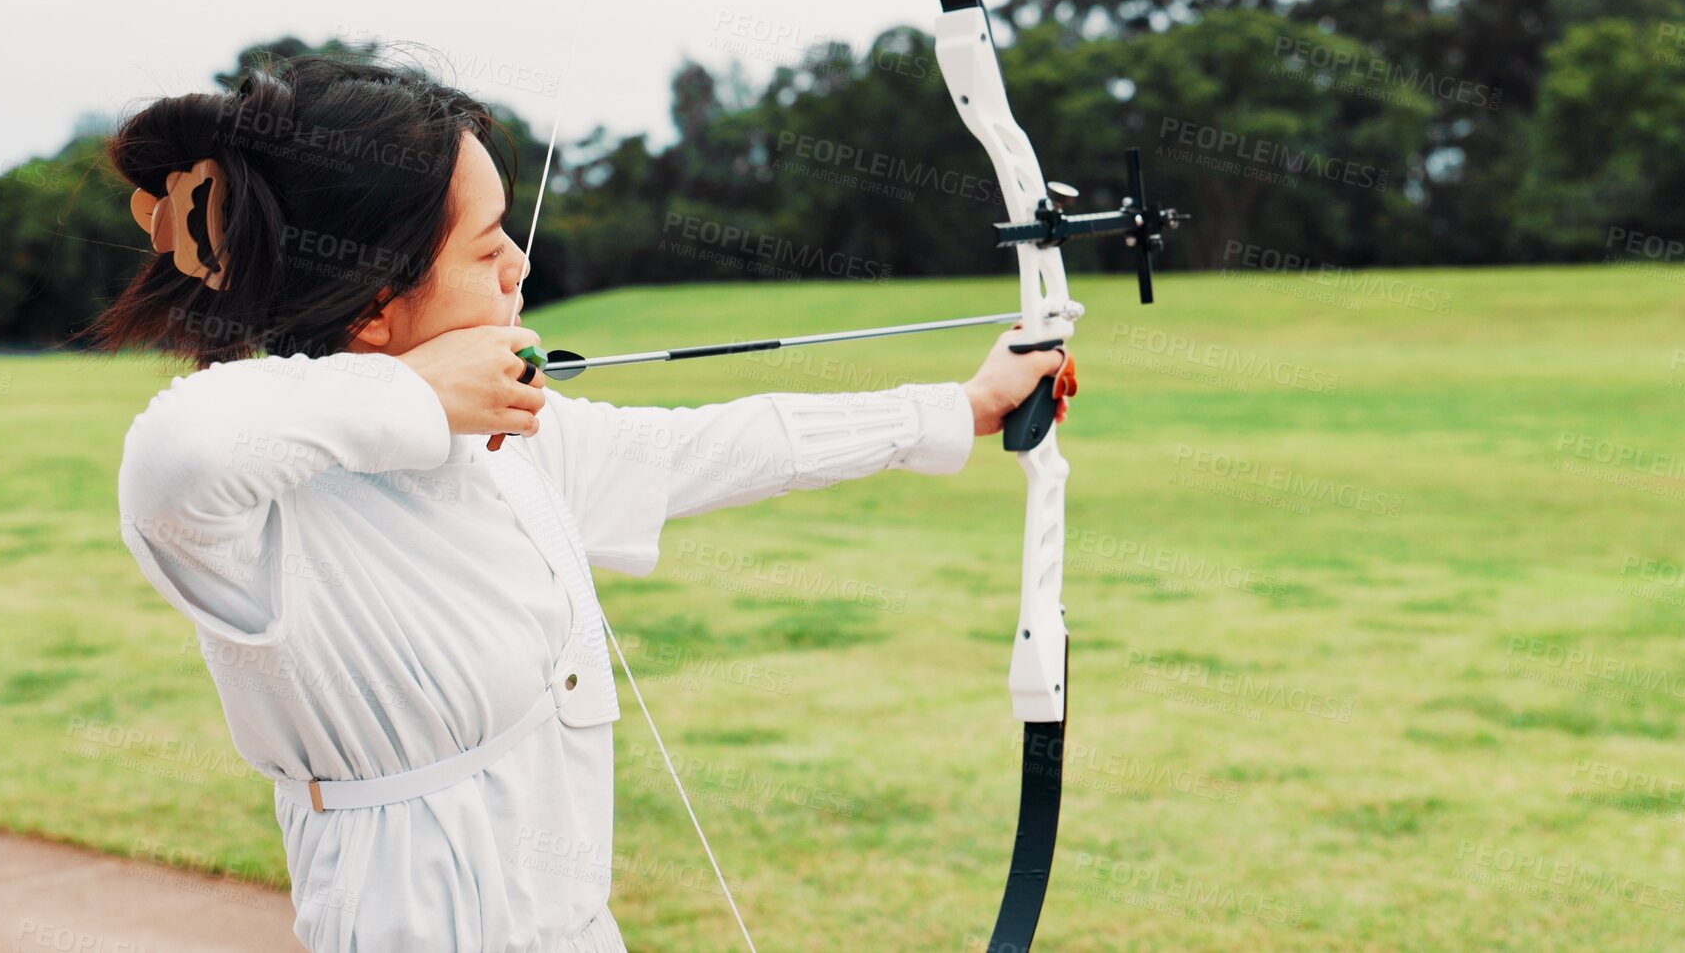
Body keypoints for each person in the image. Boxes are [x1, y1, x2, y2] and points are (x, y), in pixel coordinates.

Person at [97, 52, 1073, 952]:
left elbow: (727, 441)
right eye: (487, 252)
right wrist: (419, 391)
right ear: (371, 304)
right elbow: (177, 450)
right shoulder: (261, 516)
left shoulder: (511, 445)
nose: (521, 269)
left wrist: (961, 405)